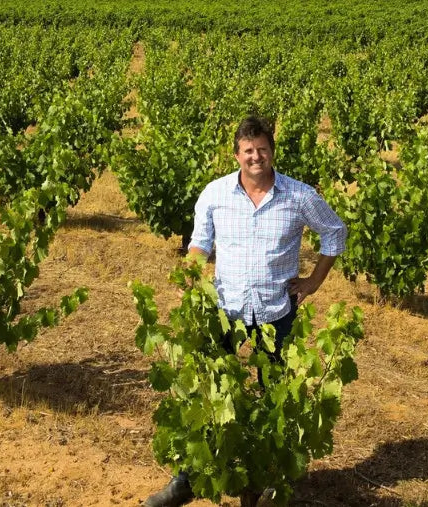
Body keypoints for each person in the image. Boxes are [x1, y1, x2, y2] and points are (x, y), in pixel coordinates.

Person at [143, 115, 347, 507]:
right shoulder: (215, 193)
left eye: (262, 149)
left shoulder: (299, 195)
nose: (256, 157)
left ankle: (267, 483)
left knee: (276, 400)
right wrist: (190, 277)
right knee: (208, 395)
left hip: (277, 313)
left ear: (272, 151)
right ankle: (187, 480)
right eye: (248, 150)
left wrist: (313, 282)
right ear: (237, 154)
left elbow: (335, 232)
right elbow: (200, 244)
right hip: (225, 312)